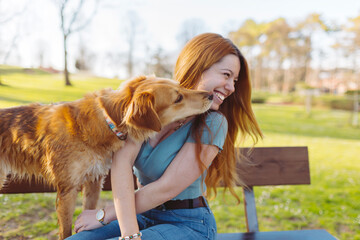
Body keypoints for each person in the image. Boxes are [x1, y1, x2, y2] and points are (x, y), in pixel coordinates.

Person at [66, 32, 263, 240]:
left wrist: (107, 217)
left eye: (235, 80)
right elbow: (122, 164)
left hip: (189, 224)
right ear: (199, 66)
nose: (232, 87)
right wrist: (128, 232)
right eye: (226, 75)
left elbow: (166, 187)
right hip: (141, 215)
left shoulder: (214, 123)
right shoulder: (153, 104)